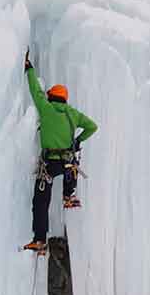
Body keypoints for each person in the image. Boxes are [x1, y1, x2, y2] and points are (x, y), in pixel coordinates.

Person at [25, 53, 97, 252]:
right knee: (71, 165)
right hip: (66, 163)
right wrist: (78, 140)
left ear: (51, 96)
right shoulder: (73, 113)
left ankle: (40, 240)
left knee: (41, 202)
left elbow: (34, 90)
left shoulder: (45, 107)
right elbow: (93, 126)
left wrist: (29, 68)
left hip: (49, 164)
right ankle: (68, 195)